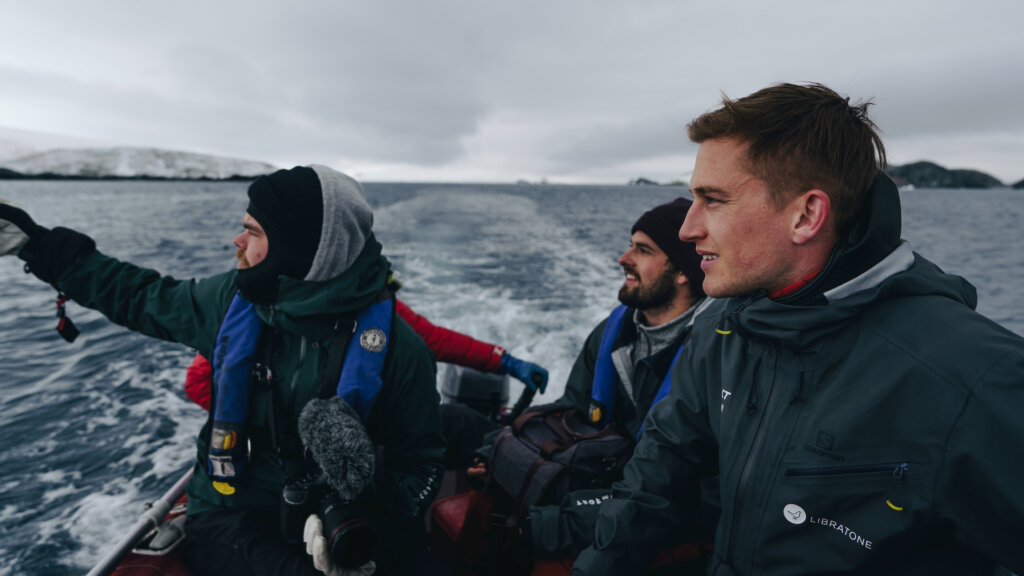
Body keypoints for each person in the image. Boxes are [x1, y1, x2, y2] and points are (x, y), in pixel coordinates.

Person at [572, 83, 1024, 575]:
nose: (687, 228)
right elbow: (654, 483)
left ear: (806, 215)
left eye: (714, 200)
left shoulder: (971, 378)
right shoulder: (722, 331)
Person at [0, 166, 448, 576]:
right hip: (231, 506)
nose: (237, 241)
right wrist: (39, 247)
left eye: (252, 231)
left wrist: (368, 518)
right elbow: (138, 296)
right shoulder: (228, 301)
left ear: (301, 249)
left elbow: (423, 464)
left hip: (340, 514)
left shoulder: (398, 350)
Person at [468, 198, 716, 569]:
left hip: (673, 521)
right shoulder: (614, 333)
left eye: (642, 250)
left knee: (533, 540)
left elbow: (693, 493)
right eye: (631, 244)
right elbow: (572, 407)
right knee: (489, 507)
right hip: (609, 481)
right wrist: (496, 450)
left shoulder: (715, 357)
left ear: (683, 270)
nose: (624, 258)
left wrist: (566, 522)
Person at [183, 297, 549, 469]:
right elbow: (199, 381)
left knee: (459, 422)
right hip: (289, 458)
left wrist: (503, 360)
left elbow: (429, 338)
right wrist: (282, 427)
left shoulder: (368, 300)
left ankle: (536, 469)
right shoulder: (255, 315)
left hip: (369, 434)